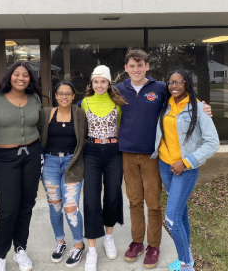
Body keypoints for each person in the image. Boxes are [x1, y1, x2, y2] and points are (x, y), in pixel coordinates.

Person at [115, 49, 212, 268]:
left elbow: (183, 101)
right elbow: (98, 102)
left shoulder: (160, 88)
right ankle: (137, 242)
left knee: (154, 203)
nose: (136, 69)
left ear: (147, 67)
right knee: (134, 201)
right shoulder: (118, 90)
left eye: (140, 65)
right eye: (132, 66)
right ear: (126, 68)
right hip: (128, 155)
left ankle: (154, 245)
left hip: (153, 155)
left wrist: (203, 108)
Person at [151, 70, 220, 271]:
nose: (174, 86)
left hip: (184, 170)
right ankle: (187, 253)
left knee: (171, 219)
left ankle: (185, 265)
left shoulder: (198, 109)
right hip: (165, 166)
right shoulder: (167, 105)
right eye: (170, 82)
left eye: (178, 82)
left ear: (187, 84)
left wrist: (187, 162)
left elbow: (212, 143)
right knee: (181, 213)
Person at [0, 61, 43, 271]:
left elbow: (39, 126)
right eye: (17, 74)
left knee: (26, 206)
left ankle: (20, 250)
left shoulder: (34, 99)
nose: (21, 78)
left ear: (30, 79)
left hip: (32, 155)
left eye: (25, 75)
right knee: (7, 210)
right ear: (10, 76)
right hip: (5, 158)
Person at [81, 65, 127, 271]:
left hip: (113, 152)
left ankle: (108, 237)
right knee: (91, 198)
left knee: (112, 195)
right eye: (96, 81)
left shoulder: (118, 103)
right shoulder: (84, 102)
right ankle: (91, 248)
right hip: (91, 152)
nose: (99, 85)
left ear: (109, 84)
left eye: (103, 81)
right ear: (91, 83)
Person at [38, 81, 87, 268]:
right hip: (50, 162)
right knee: (55, 205)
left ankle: (78, 245)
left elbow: (85, 138)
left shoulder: (79, 114)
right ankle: (60, 242)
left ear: (73, 96)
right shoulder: (46, 114)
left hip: (72, 163)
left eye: (68, 94)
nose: (64, 97)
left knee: (70, 207)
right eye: (60, 93)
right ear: (56, 96)